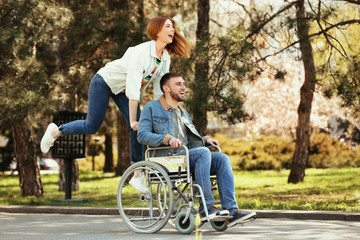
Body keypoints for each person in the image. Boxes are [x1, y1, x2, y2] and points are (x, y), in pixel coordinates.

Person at [40, 16, 190, 187]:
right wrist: (133, 121)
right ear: (157, 31)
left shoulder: (165, 58)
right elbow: (133, 89)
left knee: (140, 126)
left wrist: (162, 115)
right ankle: (56, 131)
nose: (173, 30)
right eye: (168, 26)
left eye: (173, 27)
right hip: (105, 81)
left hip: (123, 90)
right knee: (92, 126)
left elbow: (159, 93)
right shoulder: (140, 52)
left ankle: (137, 173)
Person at [137, 72, 256, 227]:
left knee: (222, 158)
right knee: (203, 153)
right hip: (166, 160)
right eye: (178, 84)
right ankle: (206, 207)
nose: (184, 87)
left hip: (186, 158)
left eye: (184, 84)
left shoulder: (183, 112)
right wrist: (167, 139)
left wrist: (205, 140)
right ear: (166, 88)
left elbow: (191, 139)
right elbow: (142, 135)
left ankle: (232, 211)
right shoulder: (151, 107)